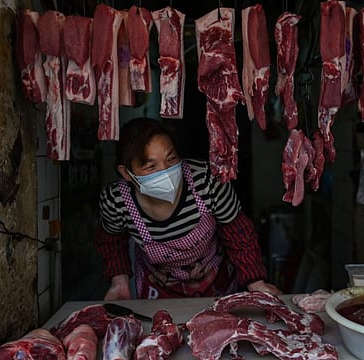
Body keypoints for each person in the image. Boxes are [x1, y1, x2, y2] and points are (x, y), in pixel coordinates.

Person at [95, 117, 281, 300]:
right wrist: (119, 281)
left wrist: (255, 281)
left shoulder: (206, 180)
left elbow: (238, 233)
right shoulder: (116, 200)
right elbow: (112, 241)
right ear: (126, 173)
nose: (165, 171)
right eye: (151, 167)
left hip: (216, 282)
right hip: (159, 289)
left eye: (171, 159)